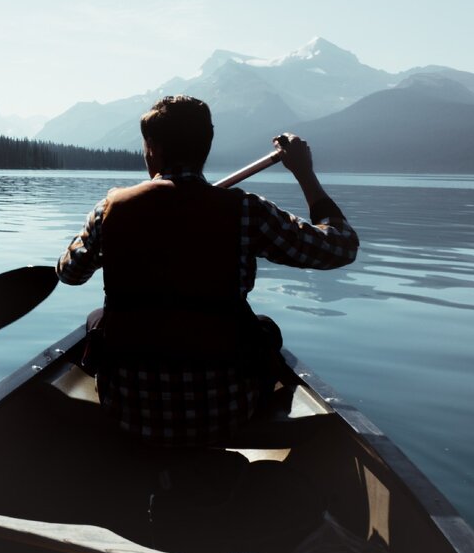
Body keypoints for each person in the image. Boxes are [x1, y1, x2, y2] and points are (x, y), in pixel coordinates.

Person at [57, 95, 359, 446]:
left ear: (152, 147)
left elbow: (70, 273)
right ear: (206, 147)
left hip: (127, 406)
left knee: (98, 320)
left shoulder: (111, 210)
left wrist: (118, 243)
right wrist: (305, 173)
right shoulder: (246, 211)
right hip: (226, 409)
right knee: (265, 330)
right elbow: (341, 247)